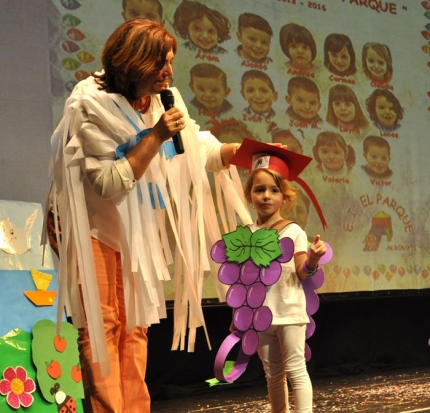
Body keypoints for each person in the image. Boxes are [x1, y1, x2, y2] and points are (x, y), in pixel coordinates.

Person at [45, 19, 248, 413]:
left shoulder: (164, 100)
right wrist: (154, 135)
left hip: (135, 230)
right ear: (132, 62)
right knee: (102, 328)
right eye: (160, 63)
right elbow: (108, 182)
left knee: (135, 325)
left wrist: (243, 151)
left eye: (170, 62)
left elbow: (196, 147)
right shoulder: (90, 103)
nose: (169, 73)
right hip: (90, 225)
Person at [229, 139, 326, 413]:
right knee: (273, 374)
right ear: (250, 196)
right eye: (259, 190)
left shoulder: (293, 231)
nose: (266, 196)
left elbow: (302, 271)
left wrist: (313, 260)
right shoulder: (246, 234)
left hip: (290, 313)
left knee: (296, 370)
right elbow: (243, 281)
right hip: (260, 316)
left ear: (284, 196)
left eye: (273, 190)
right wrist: (238, 314)